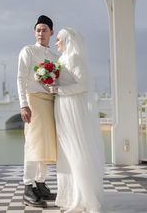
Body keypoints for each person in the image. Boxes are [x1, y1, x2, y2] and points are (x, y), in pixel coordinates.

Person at [50, 27, 105, 213]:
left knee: (76, 151)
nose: (56, 42)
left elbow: (84, 85)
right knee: (66, 152)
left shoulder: (74, 58)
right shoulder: (62, 59)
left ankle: (86, 198)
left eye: (58, 39)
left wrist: (59, 90)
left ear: (67, 40)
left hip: (71, 107)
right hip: (62, 108)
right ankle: (70, 196)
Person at [17, 15, 58, 208]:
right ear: (35, 32)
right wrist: (23, 105)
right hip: (33, 100)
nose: (41, 33)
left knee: (45, 145)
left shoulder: (55, 57)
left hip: (49, 102)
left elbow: (56, 82)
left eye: (44, 30)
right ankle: (27, 187)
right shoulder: (28, 50)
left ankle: (40, 184)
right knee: (33, 144)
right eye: (38, 30)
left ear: (51, 32)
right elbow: (21, 78)